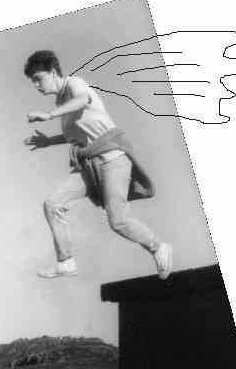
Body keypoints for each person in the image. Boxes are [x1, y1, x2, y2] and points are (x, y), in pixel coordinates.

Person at [23, 50, 173, 280]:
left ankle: (158, 247)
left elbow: (83, 100)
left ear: (53, 72)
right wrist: (48, 141)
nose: (36, 85)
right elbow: (75, 135)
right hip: (89, 163)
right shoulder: (62, 104)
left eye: (38, 79)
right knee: (52, 205)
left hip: (112, 158)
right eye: (32, 81)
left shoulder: (75, 84)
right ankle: (66, 262)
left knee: (118, 221)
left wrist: (49, 115)